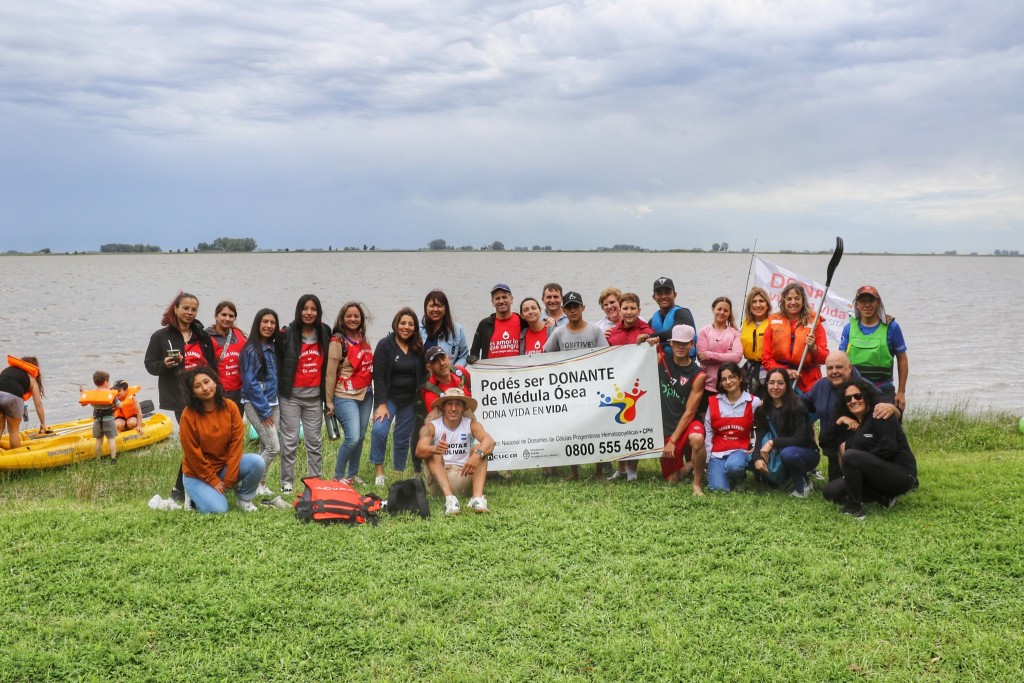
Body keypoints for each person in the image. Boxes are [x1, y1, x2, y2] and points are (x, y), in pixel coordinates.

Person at [144, 292, 217, 503]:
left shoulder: (202, 336)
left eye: (194, 309)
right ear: (175, 309)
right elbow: (150, 366)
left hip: (203, 397)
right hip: (179, 399)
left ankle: (193, 488)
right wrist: (164, 365)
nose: (190, 313)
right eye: (185, 308)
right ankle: (179, 491)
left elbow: (211, 366)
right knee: (192, 443)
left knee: (203, 443)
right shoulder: (160, 336)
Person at [822, 378, 918, 519]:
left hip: (901, 474)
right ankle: (883, 497)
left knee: (850, 456)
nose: (853, 400)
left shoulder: (880, 414)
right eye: (848, 399)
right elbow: (825, 442)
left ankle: (854, 509)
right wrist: (839, 422)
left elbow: (888, 448)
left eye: (858, 396)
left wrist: (861, 462)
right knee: (830, 492)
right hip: (873, 475)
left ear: (866, 396)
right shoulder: (850, 424)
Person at [178, 366, 266, 514]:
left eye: (206, 382)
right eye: (197, 386)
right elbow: (193, 454)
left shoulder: (230, 407)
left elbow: (236, 443)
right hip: (197, 474)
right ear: (192, 393)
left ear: (215, 382)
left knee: (257, 462)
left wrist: (230, 477)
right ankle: (192, 497)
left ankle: (244, 498)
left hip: (223, 468)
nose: (205, 388)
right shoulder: (188, 415)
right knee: (219, 509)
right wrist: (212, 480)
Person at [806, 351, 901, 482]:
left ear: (850, 367)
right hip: (832, 446)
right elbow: (801, 405)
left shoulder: (863, 387)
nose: (834, 371)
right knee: (833, 491)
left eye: (839, 367)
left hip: (865, 448)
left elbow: (888, 408)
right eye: (830, 368)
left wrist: (892, 408)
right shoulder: (820, 386)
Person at [544, 291, 609, 480]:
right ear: (563, 310)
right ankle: (574, 472)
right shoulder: (559, 332)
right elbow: (546, 355)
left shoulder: (595, 331)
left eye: (576, 306)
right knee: (572, 429)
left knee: (596, 428)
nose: (573, 310)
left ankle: (598, 472)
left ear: (583, 308)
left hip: (592, 388)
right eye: (569, 307)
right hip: (569, 390)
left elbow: (606, 358)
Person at [278, 294, 331, 493]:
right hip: (290, 397)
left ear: (318, 312)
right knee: (289, 441)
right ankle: (287, 481)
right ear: (299, 310)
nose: (309, 313)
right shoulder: (287, 333)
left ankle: (314, 480)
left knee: (314, 441)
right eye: (305, 308)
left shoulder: (324, 332)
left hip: (315, 398)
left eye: (313, 309)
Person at [415, 388, 495, 515]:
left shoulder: (471, 424)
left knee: (479, 449)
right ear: (443, 407)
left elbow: (490, 441)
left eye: (458, 404)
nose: (453, 408)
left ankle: (477, 499)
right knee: (434, 454)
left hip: (463, 475)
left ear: (463, 408)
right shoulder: (431, 426)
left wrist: (477, 454)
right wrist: (434, 448)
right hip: (439, 479)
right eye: (449, 404)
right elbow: (419, 450)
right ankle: (450, 500)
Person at [369, 307, 425, 486]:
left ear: (415, 327)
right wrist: (381, 404)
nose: (406, 327)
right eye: (403, 323)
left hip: (409, 400)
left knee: (401, 438)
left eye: (410, 324)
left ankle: (398, 473)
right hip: (389, 399)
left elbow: (423, 374)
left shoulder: (417, 347)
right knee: (379, 430)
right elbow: (378, 377)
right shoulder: (385, 345)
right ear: (396, 324)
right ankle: (379, 473)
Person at [653, 325, 707, 493]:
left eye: (685, 343)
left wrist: (673, 441)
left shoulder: (698, 375)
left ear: (692, 344)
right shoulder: (661, 359)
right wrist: (645, 340)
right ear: (671, 344)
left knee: (697, 438)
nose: (681, 347)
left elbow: (690, 412)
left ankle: (697, 484)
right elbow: (636, 355)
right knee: (671, 480)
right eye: (677, 343)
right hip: (667, 426)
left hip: (687, 422)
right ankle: (691, 464)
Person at [325, 302, 374, 484]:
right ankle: (338, 477)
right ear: (342, 319)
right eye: (349, 316)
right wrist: (329, 401)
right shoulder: (337, 342)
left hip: (366, 395)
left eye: (356, 316)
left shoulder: (363, 339)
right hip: (344, 396)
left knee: (360, 437)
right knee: (352, 437)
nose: (353, 319)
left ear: (361, 319)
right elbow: (330, 374)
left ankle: (352, 475)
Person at [839, 286, 909, 412]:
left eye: (871, 301)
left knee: (888, 427)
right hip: (855, 391)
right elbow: (840, 360)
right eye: (862, 301)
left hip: (883, 389)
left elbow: (902, 359)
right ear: (857, 305)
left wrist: (901, 392)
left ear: (878, 304)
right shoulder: (848, 329)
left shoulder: (892, 327)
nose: (867, 305)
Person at [753, 368, 820, 497]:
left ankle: (804, 484)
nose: (775, 387)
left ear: (787, 385)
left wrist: (772, 442)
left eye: (780, 383)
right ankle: (784, 479)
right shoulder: (762, 410)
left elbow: (800, 439)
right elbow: (760, 437)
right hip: (780, 450)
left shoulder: (798, 406)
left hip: (805, 452)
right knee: (751, 458)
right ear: (766, 385)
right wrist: (756, 459)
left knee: (788, 454)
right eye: (771, 383)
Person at [240, 308, 282, 496]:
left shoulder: (273, 348)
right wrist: (264, 412)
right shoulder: (251, 350)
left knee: (265, 446)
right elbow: (250, 383)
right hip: (256, 405)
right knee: (274, 447)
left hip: (274, 402)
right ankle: (248, 484)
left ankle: (260, 484)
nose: (268, 326)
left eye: (272, 322)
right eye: (265, 321)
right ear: (258, 324)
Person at [703, 362, 761, 492]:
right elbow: (708, 431)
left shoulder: (754, 402)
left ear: (740, 378)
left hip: (741, 450)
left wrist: (756, 446)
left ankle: (739, 477)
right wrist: (707, 458)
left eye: (732, 377)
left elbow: (763, 426)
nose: (728, 381)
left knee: (734, 466)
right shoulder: (713, 402)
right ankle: (726, 477)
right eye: (724, 379)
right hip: (718, 453)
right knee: (719, 489)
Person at [761, 282, 828, 393]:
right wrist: (785, 371)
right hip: (781, 380)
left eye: (797, 298)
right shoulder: (773, 323)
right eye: (789, 299)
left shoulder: (815, 323)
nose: (793, 302)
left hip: (809, 383)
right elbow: (766, 359)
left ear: (803, 301)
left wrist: (814, 348)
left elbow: (824, 358)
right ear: (783, 301)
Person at [205, 301, 248, 412]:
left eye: (231, 316)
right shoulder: (206, 337)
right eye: (223, 315)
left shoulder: (239, 335)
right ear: (216, 316)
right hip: (218, 391)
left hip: (239, 391)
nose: (227, 318)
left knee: (236, 425)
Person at [697, 296, 743, 397]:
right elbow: (702, 359)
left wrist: (709, 355)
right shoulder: (703, 332)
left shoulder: (735, 333)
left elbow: (737, 358)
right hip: (707, 386)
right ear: (713, 309)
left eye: (725, 310)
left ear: (729, 313)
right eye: (719, 309)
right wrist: (728, 355)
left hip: (729, 386)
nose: (722, 312)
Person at [470, 284, 527, 361]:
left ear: (511, 299)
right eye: (497, 298)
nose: (501, 301)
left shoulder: (522, 321)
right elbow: (474, 351)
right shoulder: (485, 324)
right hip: (492, 371)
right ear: (493, 302)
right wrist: (472, 360)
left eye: (504, 297)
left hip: (516, 370)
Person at [0, 355, 47, 449]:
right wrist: (42, 423)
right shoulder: (31, 379)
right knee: (13, 431)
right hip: (14, 397)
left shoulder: (6, 370)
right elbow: (38, 404)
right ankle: (16, 459)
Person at [419, 290, 469, 366]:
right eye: (432, 306)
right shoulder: (416, 326)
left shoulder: (456, 330)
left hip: (446, 376)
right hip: (420, 376)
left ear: (446, 309)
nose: (435, 310)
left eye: (439, 306)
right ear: (426, 308)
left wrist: (454, 370)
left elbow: (464, 356)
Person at [649, 277, 697, 357]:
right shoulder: (652, 320)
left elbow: (677, 332)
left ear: (675, 295)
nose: (663, 296)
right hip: (661, 365)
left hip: (683, 365)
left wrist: (650, 336)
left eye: (667, 293)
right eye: (659, 293)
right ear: (654, 297)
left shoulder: (683, 314)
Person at [80, 371, 122, 463]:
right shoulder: (111, 393)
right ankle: (113, 459)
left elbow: (83, 404)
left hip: (97, 421)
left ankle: (98, 459)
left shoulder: (92, 394)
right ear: (106, 381)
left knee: (99, 440)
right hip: (109, 420)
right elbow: (119, 406)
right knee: (111, 439)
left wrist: (82, 393)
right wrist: (117, 398)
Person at [739, 286, 772, 395]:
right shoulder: (744, 325)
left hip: (769, 368)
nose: (758, 305)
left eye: (761, 301)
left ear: (767, 305)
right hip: (750, 368)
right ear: (749, 305)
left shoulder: (775, 323)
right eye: (754, 302)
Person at [421, 346, 471, 415]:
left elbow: (478, 386)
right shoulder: (431, 394)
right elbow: (438, 423)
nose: (442, 363)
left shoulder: (460, 371)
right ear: (429, 367)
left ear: (448, 359)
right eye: (436, 361)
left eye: (443, 358)